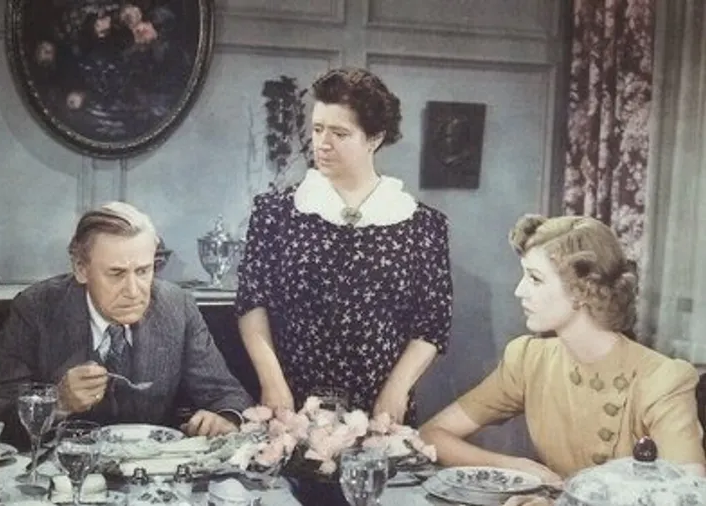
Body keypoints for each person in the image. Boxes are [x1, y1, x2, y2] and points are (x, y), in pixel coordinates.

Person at [236, 67, 453, 426]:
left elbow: (432, 324)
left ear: (374, 139)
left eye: (340, 133)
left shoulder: (422, 226)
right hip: (290, 406)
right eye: (318, 128)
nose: (322, 143)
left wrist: (396, 391)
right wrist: (272, 382)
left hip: (380, 413)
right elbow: (251, 302)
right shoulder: (276, 212)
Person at [420, 214, 706, 485]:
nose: (519, 291)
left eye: (535, 279)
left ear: (582, 290)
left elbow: (689, 491)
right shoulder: (529, 359)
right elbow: (432, 434)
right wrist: (513, 467)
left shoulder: (662, 379)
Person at [0, 202, 252, 444]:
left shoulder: (177, 307)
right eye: (116, 274)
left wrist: (225, 419)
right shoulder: (37, 308)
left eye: (143, 271)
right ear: (81, 269)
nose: (133, 290)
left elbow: (229, 395)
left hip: (150, 474)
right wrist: (58, 402)